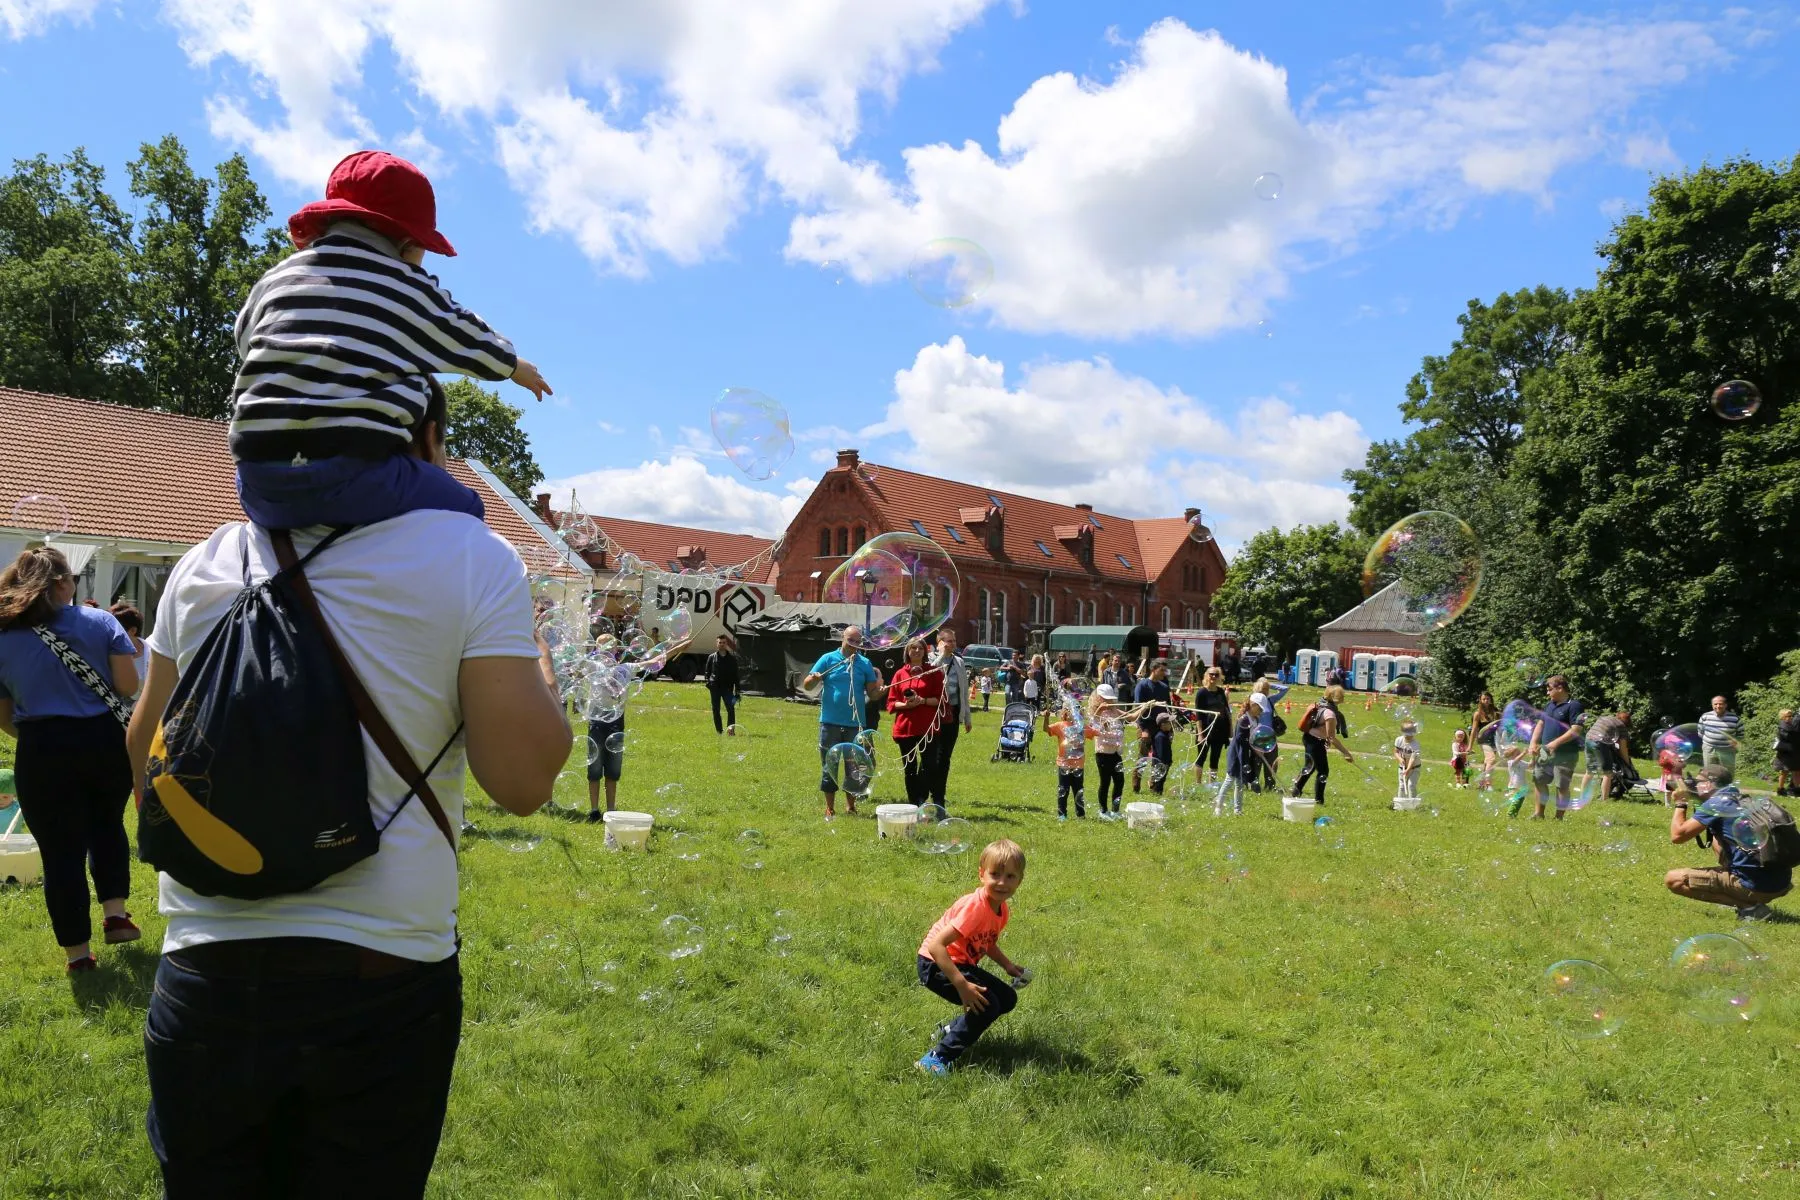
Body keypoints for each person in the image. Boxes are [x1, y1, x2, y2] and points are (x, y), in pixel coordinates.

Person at [124, 377, 573, 1197]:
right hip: (381, 973)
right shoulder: (471, 556)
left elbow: (146, 757)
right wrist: (536, 660)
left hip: (207, 972)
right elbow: (521, 783)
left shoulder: (208, 559)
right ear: (428, 441)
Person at [231, 150, 552, 531]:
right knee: (465, 510)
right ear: (408, 242)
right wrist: (514, 366)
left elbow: (246, 339)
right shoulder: (405, 286)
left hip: (258, 481)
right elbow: (463, 334)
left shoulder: (276, 279)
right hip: (356, 476)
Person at [0, 547, 141, 972]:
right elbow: (128, 685)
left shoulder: (3, 636)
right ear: (63, 582)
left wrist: (43, 736)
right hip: (102, 740)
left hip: (41, 746)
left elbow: (4, 716)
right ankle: (114, 913)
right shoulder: (101, 622)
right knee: (106, 824)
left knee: (59, 853)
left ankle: (78, 956)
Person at [914, 839, 1029, 1075]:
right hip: (935, 964)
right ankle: (936, 1059)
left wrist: (1007, 965)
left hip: (958, 961)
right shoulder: (975, 907)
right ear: (981, 874)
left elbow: (985, 941)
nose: (1001, 882)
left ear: (1020, 880)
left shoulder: (1001, 909)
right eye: (995, 874)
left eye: (1010, 876)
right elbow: (937, 946)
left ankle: (950, 1029)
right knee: (987, 1006)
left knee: (1006, 998)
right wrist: (962, 985)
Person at [1665, 765, 1791, 921]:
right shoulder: (1740, 798)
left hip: (1756, 886)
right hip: (1781, 883)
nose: (1695, 786)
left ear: (1709, 784)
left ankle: (1749, 907)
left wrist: (1681, 803)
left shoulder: (1716, 804)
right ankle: (1740, 893)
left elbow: (1677, 836)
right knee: (1717, 842)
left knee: (1673, 879)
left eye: (1698, 782)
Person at [803, 626, 883, 819]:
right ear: (842, 638)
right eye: (851, 640)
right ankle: (829, 807)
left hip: (855, 723)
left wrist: (881, 690)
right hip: (830, 721)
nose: (854, 645)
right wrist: (814, 679)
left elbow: (872, 694)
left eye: (857, 641)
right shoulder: (828, 659)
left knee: (853, 766)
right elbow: (807, 685)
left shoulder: (864, 663)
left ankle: (851, 806)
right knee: (829, 764)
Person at [886, 638, 944, 805]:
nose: (916, 651)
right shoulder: (900, 674)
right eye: (913, 648)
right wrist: (906, 704)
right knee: (910, 768)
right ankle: (913, 803)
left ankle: (921, 797)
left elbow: (940, 700)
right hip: (906, 727)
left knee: (929, 765)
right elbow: (891, 703)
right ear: (907, 651)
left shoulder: (933, 672)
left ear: (925, 651)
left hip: (928, 727)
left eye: (920, 648)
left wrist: (922, 701)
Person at [925, 629, 973, 809]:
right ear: (939, 643)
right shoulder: (930, 658)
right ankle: (928, 791)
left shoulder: (959, 662)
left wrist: (967, 717)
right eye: (948, 641)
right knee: (932, 756)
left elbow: (964, 693)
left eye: (954, 641)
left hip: (952, 713)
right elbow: (928, 675)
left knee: (945, 757)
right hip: (934, 714)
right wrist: (941, 656)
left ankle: (939, 797)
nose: (952, 644)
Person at [1529, 674, 1586, 819]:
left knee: (1562, 786)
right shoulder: (1549, 706)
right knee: (1539, 780)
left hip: (1566, 754)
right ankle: (1538, 814)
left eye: (1549, 689)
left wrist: (1555, 743)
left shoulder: (1574, 705)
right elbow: (1540, 724)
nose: (1547, 693)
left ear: (1560, 688)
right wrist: (1533, 742)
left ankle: (1558, 817)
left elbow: (1576, 729)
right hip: (1545, 752)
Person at [1290, 686, 1355, 804]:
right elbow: (1331, 737)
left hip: (1310, 738)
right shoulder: (1330, 713)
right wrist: (1346, 752)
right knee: (1323, 771)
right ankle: (1319, 800)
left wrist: (1326, 741)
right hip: (1315, 741)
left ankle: (1296, 790)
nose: (1344, 697)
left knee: (1310, 767)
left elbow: (1327, 735)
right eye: (1342, 695)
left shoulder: (1321, 705)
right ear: (1335, 697)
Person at [1043, 702, 1096, 820]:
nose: (1074, 714)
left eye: (1076, 711)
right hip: (1064, 765)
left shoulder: (1082, 727)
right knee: (1063, 790)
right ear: (1065, 713)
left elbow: (1096, 732)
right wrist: (1046, 718)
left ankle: (1081, 814)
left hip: (1079, 766)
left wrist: (1104, 726)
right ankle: (1062, 814)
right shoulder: (1060, 725)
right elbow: (1046, 729)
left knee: (1079, 791)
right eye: (1071, 711)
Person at [1131, 659, 1172, 793]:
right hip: (1145, 726)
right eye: (1162, 670)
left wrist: (1168, 724)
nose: (1164, 673)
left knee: (1161, 757)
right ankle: (1136, 786)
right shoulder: (1142, 686)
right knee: (1143, 757)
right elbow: (1139, 709)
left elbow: (1168, 708)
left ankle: (1155, 786)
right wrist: (1143, 729)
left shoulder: (1164, 687)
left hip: (1160, 727)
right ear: (1153, 669)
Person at [1089, 685, 1127, 817]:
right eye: (1106, 699)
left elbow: (1131, 716)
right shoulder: (1094, 711)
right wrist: (1100, 708)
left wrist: (1145, 706)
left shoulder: (1114, 710)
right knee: (1105, 782)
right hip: (1103, 753)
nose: (1109, 702)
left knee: (1119, 781)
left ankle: (1115, 810)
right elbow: (1093, 720)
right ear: (1099, 698)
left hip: (1116, 752)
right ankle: (1103, 810)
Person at [1192, 666, 1232, 784]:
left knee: (1215, 759)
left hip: (1220, 731)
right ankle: (1198, 783)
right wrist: (1200, 734)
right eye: (1211, 674)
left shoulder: (1221, 692)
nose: (1213, 677)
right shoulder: (1201, 693)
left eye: (1216, 674)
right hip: (1205, 730)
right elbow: (1198, 714)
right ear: (1206, 676)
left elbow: (1226, 711)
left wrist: (1230, 729)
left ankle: (1211, 784)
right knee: (1201, 757)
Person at [586, 710, 625, 827]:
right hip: (596, 724)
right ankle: (594, 811)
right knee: (594, 768)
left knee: (613, 769)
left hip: (616, 724)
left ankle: (611, 810)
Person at [1584, 710, 1631, 803]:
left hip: (1588, 740)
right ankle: (1604, 800)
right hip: (1599, 743)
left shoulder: (1606, 718)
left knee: (1590, 771)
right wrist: (1627, 763)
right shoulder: (1621, 726)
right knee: (1608, 773)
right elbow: (1623, 748)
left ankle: (1583, 796)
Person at [109, 602, 149, 698]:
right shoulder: (105, 654)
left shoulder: (155, 653)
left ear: (133, 631)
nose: (111, 635)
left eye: (116, 631)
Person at [703, 634, 741, 734]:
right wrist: (708, 683)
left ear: (726, 644)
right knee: (716, 710)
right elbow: (707, 672)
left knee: (731, 709)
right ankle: (719, 731)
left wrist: (737, 690)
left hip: (728, 689)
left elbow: (736, 676)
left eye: (724, 643)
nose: (722, 644)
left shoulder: (732, 659)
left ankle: (730, 730)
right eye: (720, 642)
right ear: (717, 644)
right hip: (714, 688)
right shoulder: (712, 657)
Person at [1697, 695, 1741, 771]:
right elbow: (1700, 732)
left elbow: (1741, 734)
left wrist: (1734, 743)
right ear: (1712, 705)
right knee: (1709, 771)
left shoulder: (1734, 718)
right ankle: (1710, 783)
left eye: (1720, 704)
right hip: (1709, 749)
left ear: (1725, 705)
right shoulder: (1705, 717)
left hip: (1727, 750)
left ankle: (1727, 783)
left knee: (1727, 772)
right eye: (1715, 704)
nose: (1718, 706)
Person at [1147, 713, 1175, 796]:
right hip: (1161, 763)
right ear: (1163, 725)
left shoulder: (1164, 735)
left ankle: (1158, 792)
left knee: (1161, 780)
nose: (1172, 724)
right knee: (1158, 780)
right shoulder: (1160, 737)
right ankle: (1156, 793)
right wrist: (1165, 763)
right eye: (1170, 722)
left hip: (1163, 763)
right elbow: (1160, 752)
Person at [1393, 720, 1422, 800]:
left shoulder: (1415, 744)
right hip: (1402, 767)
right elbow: (1395, 752)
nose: (1409, 737)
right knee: (1402, 786)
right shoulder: (1398, 740)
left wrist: (1408, 769)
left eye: (1411, 736)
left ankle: (1413, 804)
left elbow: (1412, 759)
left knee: (1410, 785)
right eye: (1407, 736)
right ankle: (1400, 804)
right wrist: (1399, 759)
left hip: (1414, 768)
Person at [1776, 709, 1799, 798]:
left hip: (1792, 752)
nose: (1790, 717)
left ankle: (1796, 790)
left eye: (1791, 716)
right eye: (1788, 716)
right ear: (1783, 717)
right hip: (1785, 753)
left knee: (1796, 771)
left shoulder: (1791, 725)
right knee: (1784, 772)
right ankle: (1780, 789)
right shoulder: (1782, 726)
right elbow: (1786, 736)